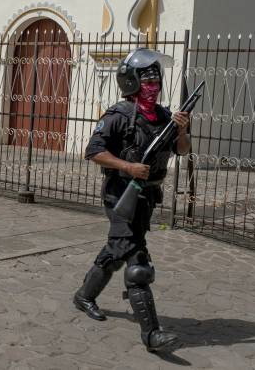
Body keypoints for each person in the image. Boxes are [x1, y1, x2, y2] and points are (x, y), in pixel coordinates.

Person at [72, 48, 191, 353]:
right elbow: (94, 150)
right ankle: (152, 334)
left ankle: (84, 295)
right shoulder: (118, 115)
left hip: (147, 196)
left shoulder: (165, 116)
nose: (153, 86)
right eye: (147, 80)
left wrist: (182, 130)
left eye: (155, 79)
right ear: (132, 83)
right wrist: (127, 166)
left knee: (117, 249)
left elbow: (183, 151)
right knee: (138, 263)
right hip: (120, 193)